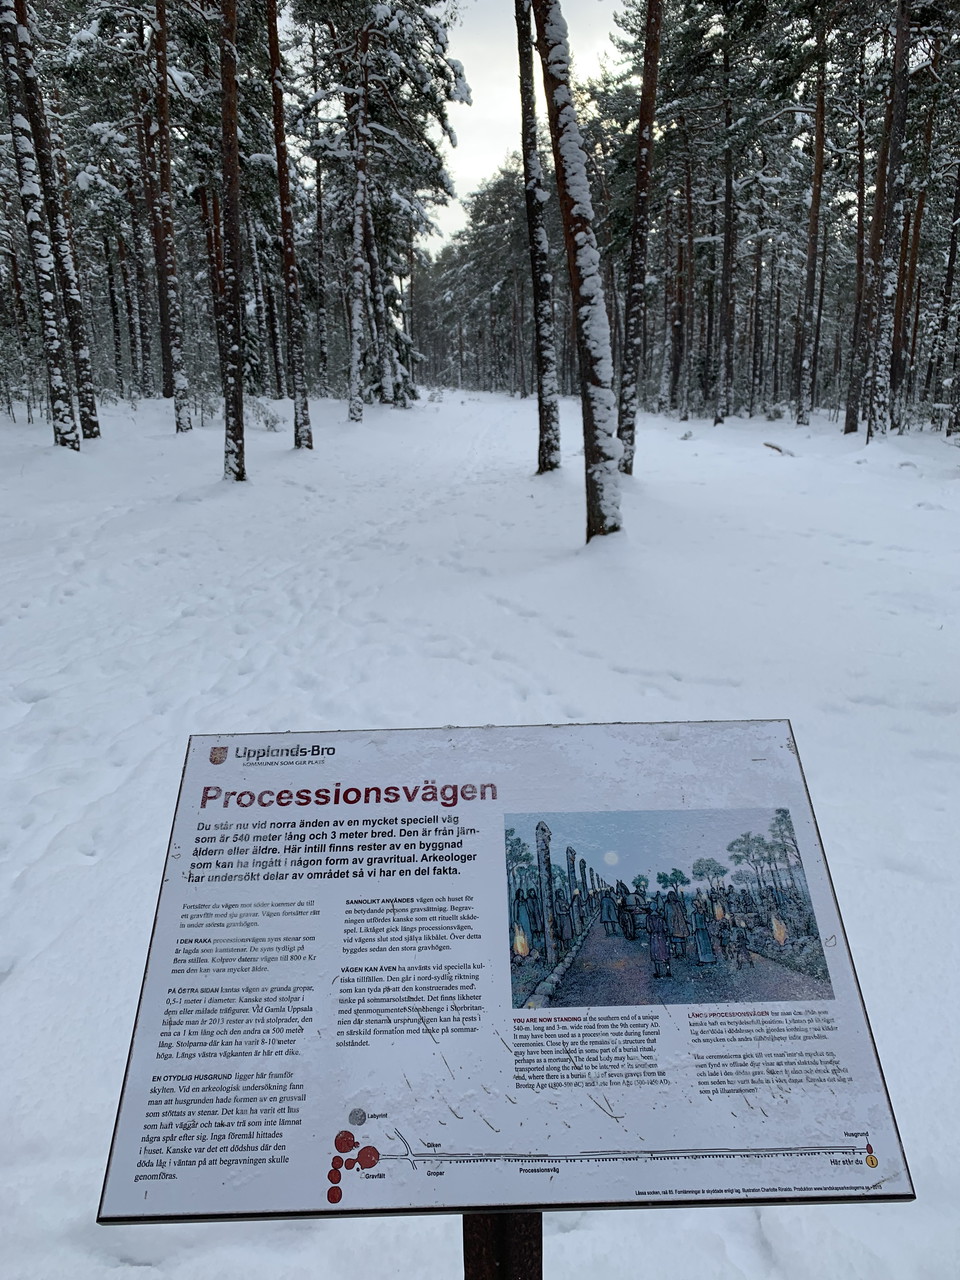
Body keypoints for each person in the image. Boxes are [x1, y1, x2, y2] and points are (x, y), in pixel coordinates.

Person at [665, 890, 690, 959]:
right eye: (669, 895)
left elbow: (683, 911)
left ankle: (684, 953)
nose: (670, 897)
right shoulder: (667, 904)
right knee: (673, 940)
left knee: (682, 939)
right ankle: (675, 953)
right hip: (671, 924)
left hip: (680, 924)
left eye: (672, 895)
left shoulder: (678, 903)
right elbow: (666, 914)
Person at [646, 908, 671, 977]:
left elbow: (648, 929)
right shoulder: (661, 918)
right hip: (662, 937)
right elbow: (665, 928)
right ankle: (668, 971)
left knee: (656, 954)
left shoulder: (649, 918)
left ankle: (658, 973)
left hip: (654, 937)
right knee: (664, 953)